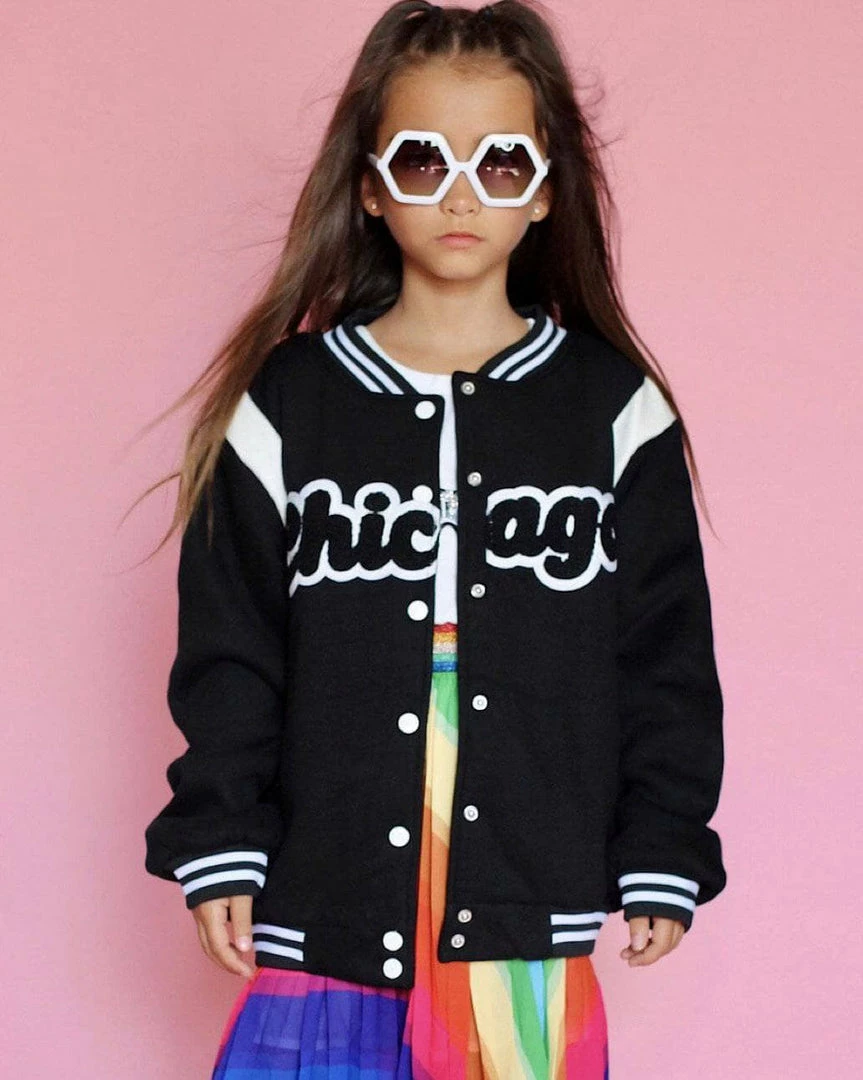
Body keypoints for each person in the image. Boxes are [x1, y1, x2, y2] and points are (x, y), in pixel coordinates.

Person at [142, 2, 727, 1077]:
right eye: (422, 160)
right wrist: (219, 838)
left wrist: (662, 843)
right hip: (329, 876)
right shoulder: (290, 403)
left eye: (501, 164)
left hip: (525, 881)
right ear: (370, 186)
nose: (462, 194)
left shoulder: (612, 410)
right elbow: (232, 647)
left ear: (544, 191)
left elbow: (663, 657)